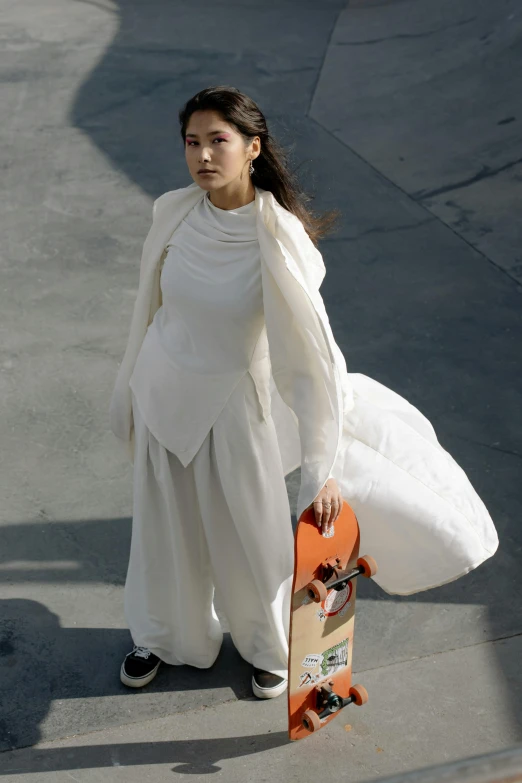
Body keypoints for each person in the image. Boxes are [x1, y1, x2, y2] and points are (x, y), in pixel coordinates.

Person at [114, 86, 344, 699]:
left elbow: (312, 356)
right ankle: (165, 637)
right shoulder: (174, 211)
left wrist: (322, 467)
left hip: (234, 403)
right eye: (193, 142)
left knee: (250, 532)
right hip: (164, 392)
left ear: (252, 149)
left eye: (219, 140)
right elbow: (150, 307)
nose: (203, 156)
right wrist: (134, 387)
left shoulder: (278, 235)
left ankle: (268, 645)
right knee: (165, 532)